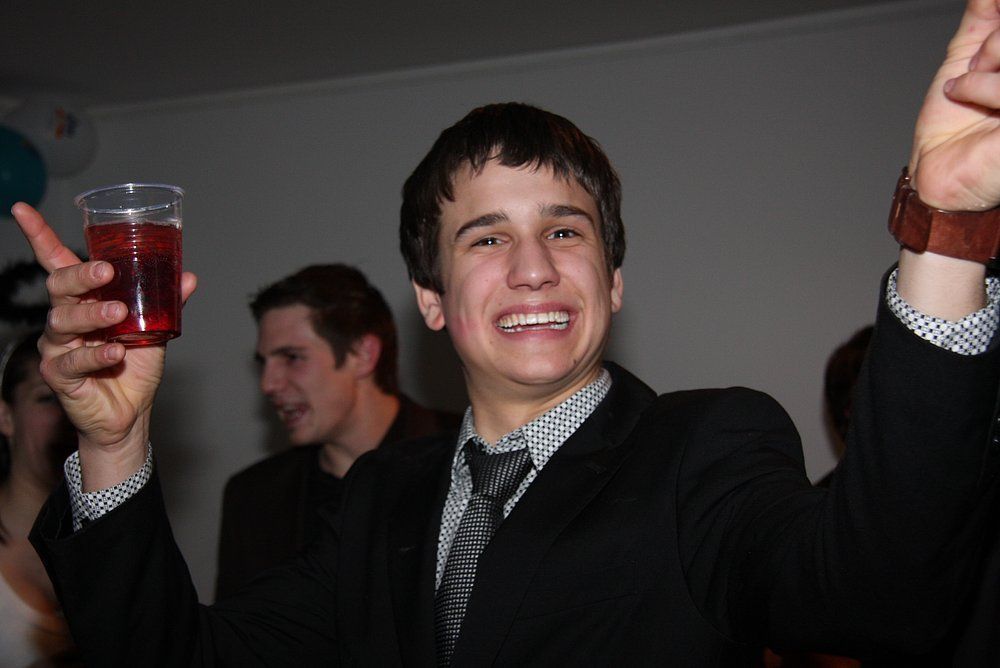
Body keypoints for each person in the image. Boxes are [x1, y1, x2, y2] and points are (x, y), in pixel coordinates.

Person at [11, 1, 1000, 663]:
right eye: (486, 238)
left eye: (565, 231)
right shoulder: (381, 498)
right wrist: (114, 443)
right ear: (431, 299)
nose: (533, 267)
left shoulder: (704, 447)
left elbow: (883, 596)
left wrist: (948, 231)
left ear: (613, 280)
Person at [216, 264, 460, 599]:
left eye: (292, 357)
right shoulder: (254, 496)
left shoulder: (469, 457)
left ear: (363, 354)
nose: (268, 384)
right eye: (264, 363)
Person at [0, 330, 80, 665]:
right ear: (5, 417)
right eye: (47, 398)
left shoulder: (110, 539)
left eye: (76, 396)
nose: (68, 413)